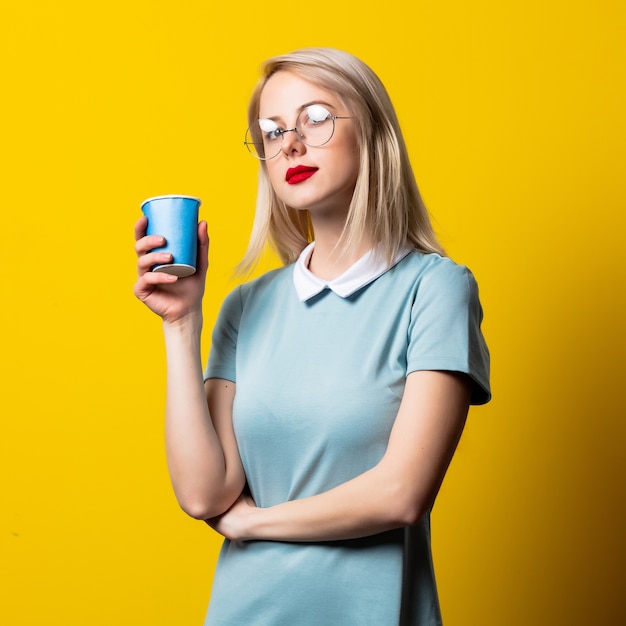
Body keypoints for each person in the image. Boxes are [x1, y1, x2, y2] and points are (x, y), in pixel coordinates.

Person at [134, 47, 491, 626]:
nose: (290, 144)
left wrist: (255, 523)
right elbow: (204, 495)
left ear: (374, 133)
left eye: (316, 118)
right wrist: (181, 324)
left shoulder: (435, 289)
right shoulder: (247, 306)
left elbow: (401, 494)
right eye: (271, 132)